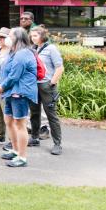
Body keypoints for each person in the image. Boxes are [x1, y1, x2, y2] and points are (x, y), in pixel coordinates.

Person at [0, 27, 39, 168]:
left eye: (11, 35)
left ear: (17, 38)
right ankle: (15, 150)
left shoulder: (23, 54)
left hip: (19, 93)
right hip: (11, 92)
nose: (8, 37)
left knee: (20, 124)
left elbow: (15, 75)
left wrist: (2, 86)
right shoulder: (14, 52)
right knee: (8, 120)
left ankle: (22, 157)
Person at [29, 26, 64, 155]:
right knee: (34, 113)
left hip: (46, 85)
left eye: (35, 36)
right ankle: (35, 137)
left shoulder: (51, 49)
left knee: (51, 115)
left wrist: (51, 83)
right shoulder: (33, 49)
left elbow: (59, 68)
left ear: (42, 36)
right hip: (34, 85)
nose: (33, 38)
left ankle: (57, 144)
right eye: (31, 36)